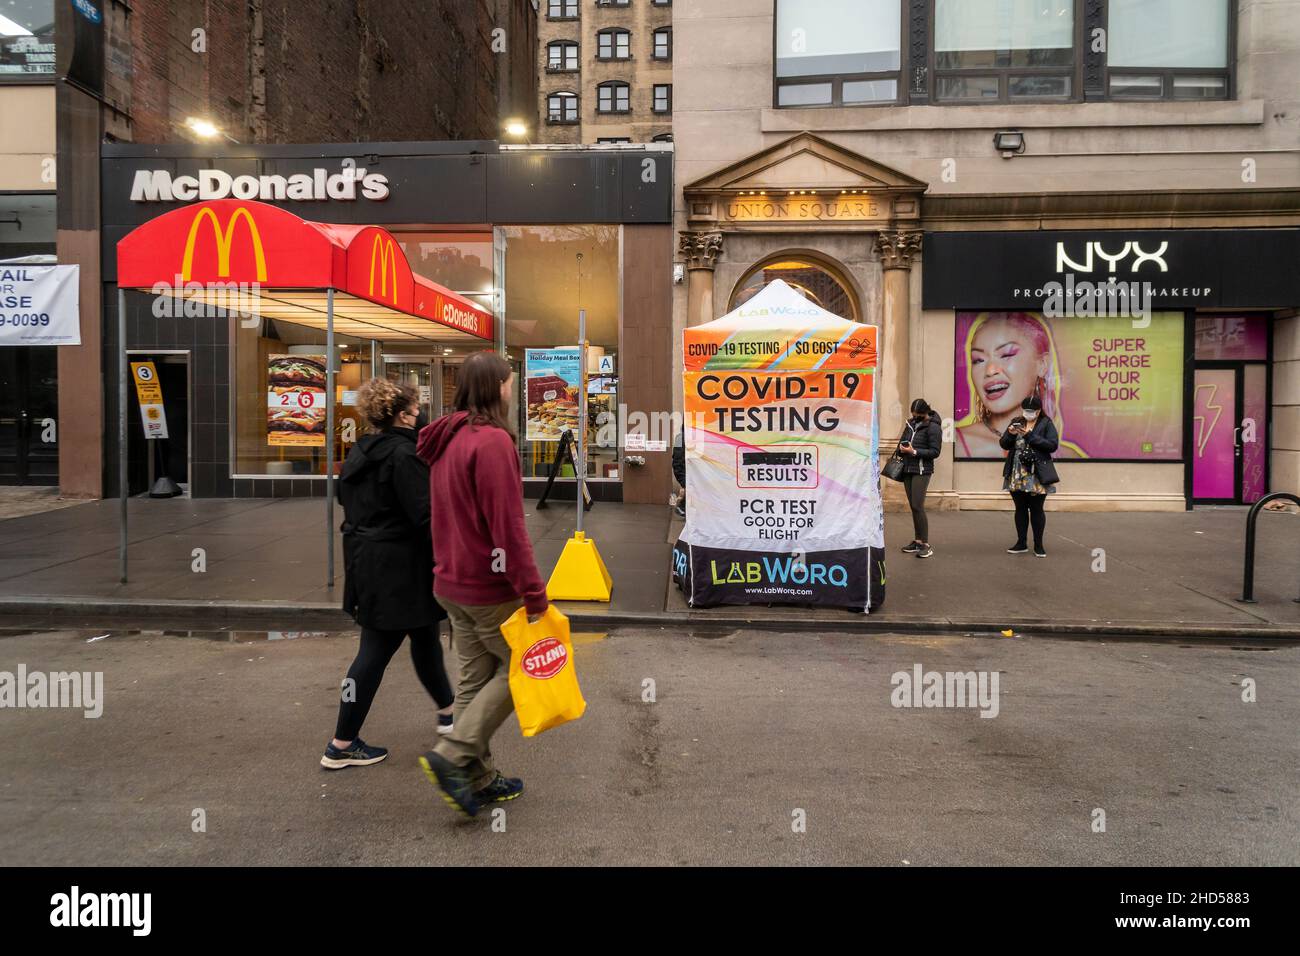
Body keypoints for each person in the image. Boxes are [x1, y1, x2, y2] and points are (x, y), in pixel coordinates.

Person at [416, 351, 549, 817]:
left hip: (450, 581)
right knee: (526, 670)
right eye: (510, 381)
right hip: (487, 588)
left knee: (473, 681)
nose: (513, 388)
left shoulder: (447, 438)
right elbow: (508, 528)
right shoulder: (491, 443)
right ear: (496, 387)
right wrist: (534, 593)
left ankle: (477, 778)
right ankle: (452, 756)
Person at [321, 379, 454, 770]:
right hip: (399, 569)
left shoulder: (360, 451)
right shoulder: (404, 455)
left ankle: (448, 713)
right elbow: (425, 514)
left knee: (425, 635)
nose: (420, 416)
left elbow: (345, 500)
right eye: (415, 410)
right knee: (373, 653)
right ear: (401, 415)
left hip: (368, 563)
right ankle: (342, 744)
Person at [954, 311, 1084, 459]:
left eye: (1007, 355)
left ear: (1042, 364)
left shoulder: (1068, 456)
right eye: (978, 360)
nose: (990, 371)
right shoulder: (956, 444)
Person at [1000, 395, 1059, 558]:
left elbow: (1052, 445)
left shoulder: (1046, 424)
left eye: (1031, 411)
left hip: (1036, 472)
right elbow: (1004, 443)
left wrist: (1029, 435)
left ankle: (1039, 545)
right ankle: (1021, 543)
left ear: (1039, 410)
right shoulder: (1017, 421)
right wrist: (1011, 434)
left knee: (1036, 508)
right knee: (1020, 508)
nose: (1028, 413)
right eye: (1026, 410)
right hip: (1016, 471)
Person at [897, 398, 942, 559]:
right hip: (908, 468)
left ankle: (925, 544)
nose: (914, 417)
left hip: (922, 470)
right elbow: (902, 441)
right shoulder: (910, 424)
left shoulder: (934, 427)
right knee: (913, 506)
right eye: (913, 415)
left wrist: (914, 452)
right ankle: (917, 541)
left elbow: (935, 452)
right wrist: (902, 448)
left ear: (925, 413)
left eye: (917, 415)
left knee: (918, 505)